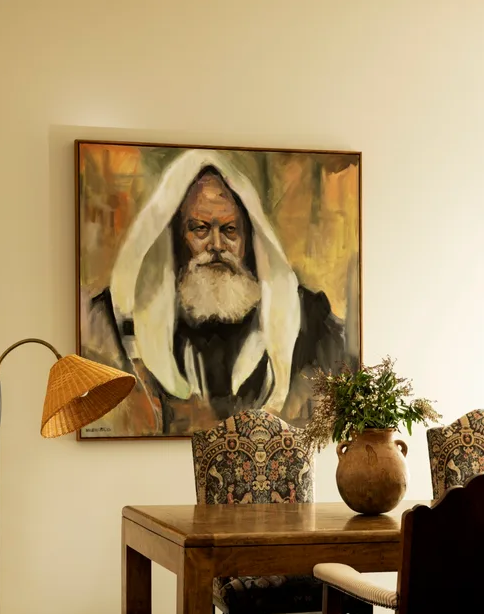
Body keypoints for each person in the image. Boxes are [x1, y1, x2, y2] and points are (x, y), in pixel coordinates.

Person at [87, 149, 348, 433]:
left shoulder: (311, 320)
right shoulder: (115, 322)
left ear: (249, 239)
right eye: (200, 229)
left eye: (230, 230)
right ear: (175, 239)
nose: (217, 245)